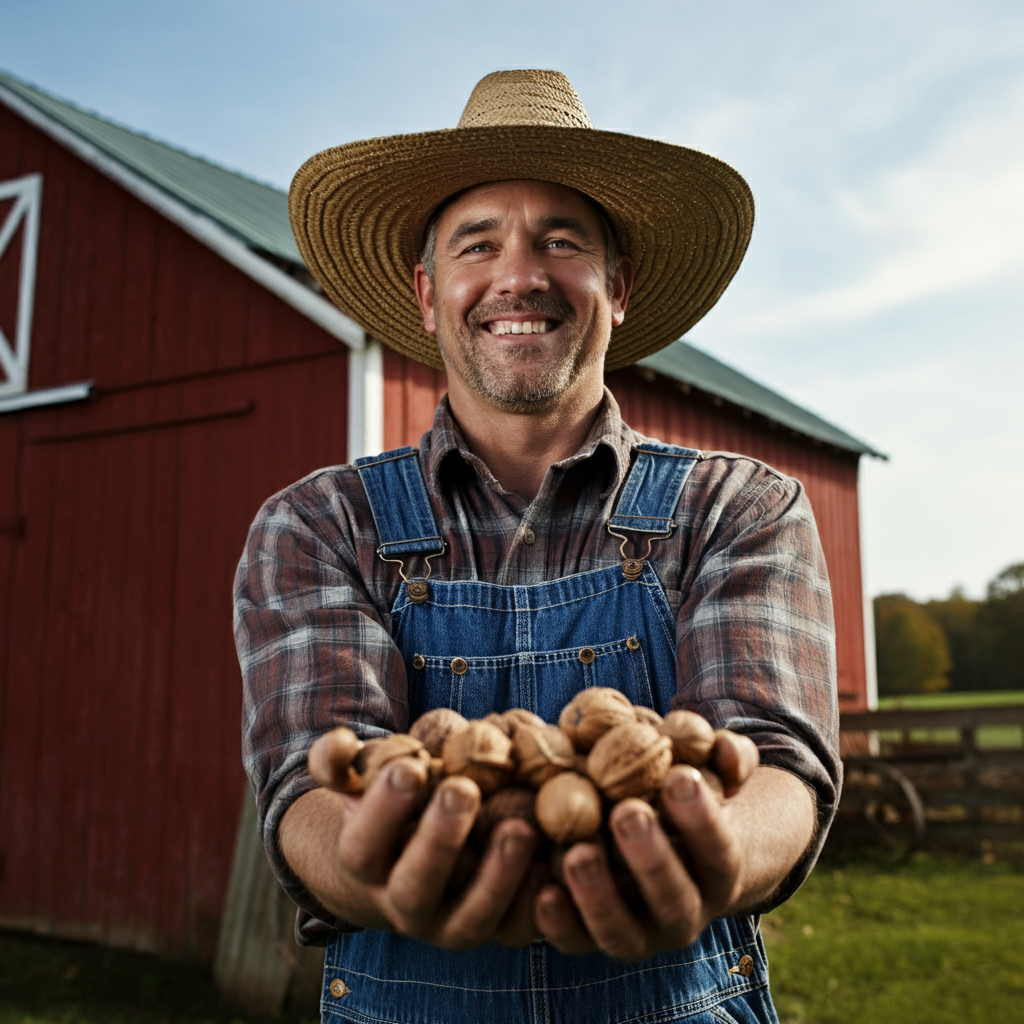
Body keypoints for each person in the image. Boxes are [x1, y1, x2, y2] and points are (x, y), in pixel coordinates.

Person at [235, 70, 840, 1024]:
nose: (520, 275)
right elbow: (308, 781)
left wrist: (719, 844)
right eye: (480, 245)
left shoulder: (741, 507)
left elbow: (775, 766)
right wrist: (370, 866)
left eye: (562, 242)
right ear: (430, 295)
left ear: (618, 288)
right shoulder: (320, 525)